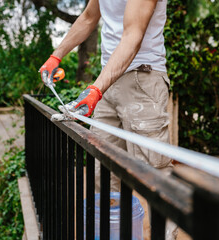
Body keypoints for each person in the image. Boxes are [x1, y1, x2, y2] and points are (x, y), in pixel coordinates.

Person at [40, 0, 177, 238]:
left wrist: (95, 90)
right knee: (102, 173)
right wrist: (56, 56)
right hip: (107, 82)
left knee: (153, 176)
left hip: (142, 78)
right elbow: (89, 16)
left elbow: (133, 35)